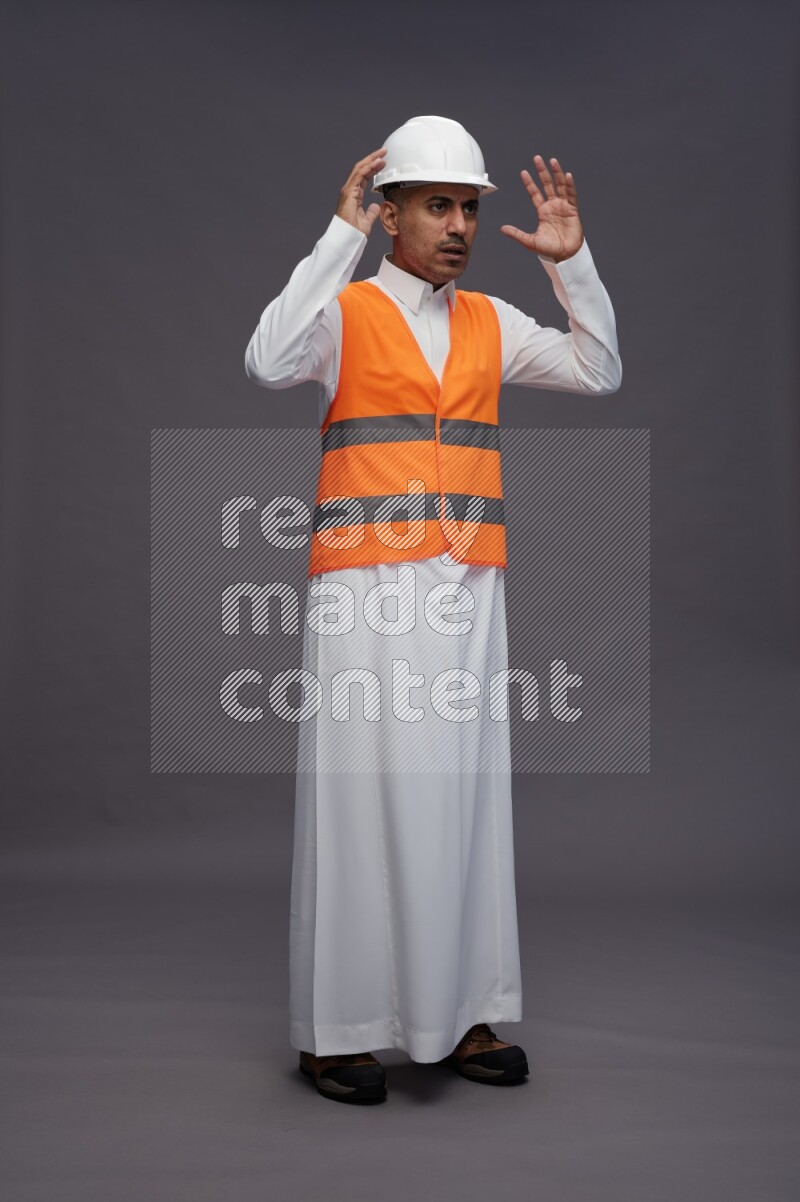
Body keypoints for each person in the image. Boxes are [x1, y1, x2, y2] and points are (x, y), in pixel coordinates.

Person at [244, 115, 622, 1104]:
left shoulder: (493, 321)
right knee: (355, 799)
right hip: (363, 591)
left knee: (462, 797)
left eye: (467, 206)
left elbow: (598, 369)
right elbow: (267, 359)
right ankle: (338, 1028)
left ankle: (459, 1011)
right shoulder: (345, 309)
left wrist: (569, 265)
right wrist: (333, 239)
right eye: (436, 204)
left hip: (467, 589)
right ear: (389, 213)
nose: (456, 224)